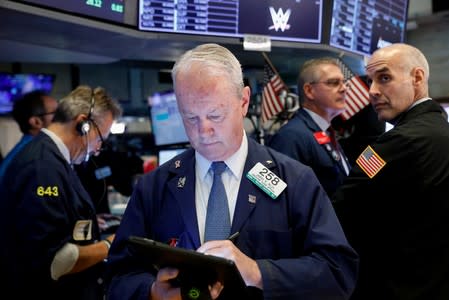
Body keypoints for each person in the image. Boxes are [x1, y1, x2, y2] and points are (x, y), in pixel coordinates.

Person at [106, 43, 358, 300]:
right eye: (190, 117)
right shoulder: (154, 187)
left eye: (215, 115)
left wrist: (258, 272)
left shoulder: (293, 180)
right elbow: (117, 278)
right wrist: (151, 292)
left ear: (244, 101)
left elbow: (338, 272)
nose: (203, 131)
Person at [332, 43, 449, 300]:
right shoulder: (441, 129)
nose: (372, 91)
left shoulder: (398, 142)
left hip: (396, 286)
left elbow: (343, 207)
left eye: (384, 78)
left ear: (417, 78)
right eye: (370, 81)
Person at [0, 85, 122, 300]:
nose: (97, 149)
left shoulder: (54, 159)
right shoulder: (41, 167)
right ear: (82, 124)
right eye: (100, 139)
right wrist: (111, 243)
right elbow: (56, 261)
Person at [268, 57, 351, 197]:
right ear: (309, 91)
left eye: (343, 82)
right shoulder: (291, 136)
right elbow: (275, 196)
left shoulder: (324, 132)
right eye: (334, 83)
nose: (343, 89)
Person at [0, 90, 58, 181]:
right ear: (36, 122)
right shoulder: (37, 158)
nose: (63, 117)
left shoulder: (30, 149)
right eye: (56, 112)